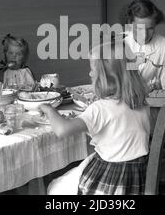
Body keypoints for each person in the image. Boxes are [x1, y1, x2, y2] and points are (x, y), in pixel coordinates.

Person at [41, 41, 150, 195]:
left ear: (105, 77)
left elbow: (62, 130)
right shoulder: (141, 102)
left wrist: (49, 110)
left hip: (112, 182)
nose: (90, 74)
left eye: (92, 69)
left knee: (55, 188)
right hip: (139, 179)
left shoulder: (100, 108)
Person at [121, 0, 165, 90]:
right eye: (139, 28)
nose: (144, 35)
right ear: (130, 24)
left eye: (150, 28)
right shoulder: (117, 43)